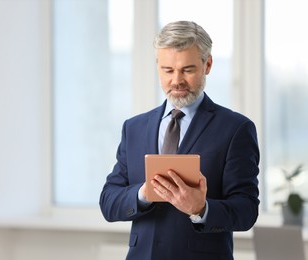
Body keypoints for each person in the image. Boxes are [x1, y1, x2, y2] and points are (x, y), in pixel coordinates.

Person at [99, 21, 260, 260]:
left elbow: (246, 210)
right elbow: (109, 202)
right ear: (157, 67)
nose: (177, 80)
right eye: (167, 70)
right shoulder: (134, 128)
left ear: (208, 65)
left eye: (187, 70)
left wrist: (201, 209)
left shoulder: (235, 129)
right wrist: (144, 193)